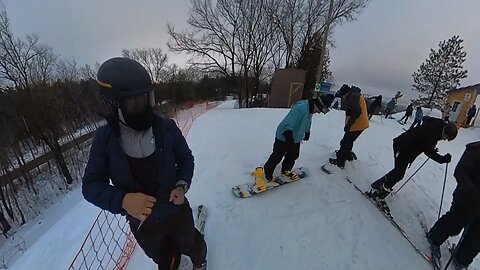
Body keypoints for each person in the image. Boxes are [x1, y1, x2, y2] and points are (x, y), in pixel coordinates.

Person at [82, 57, 207, 270]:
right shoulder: (105, 141)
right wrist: (123, 200)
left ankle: (200, 262)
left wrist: (182, 184)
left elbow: (186, 159)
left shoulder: (166, 128)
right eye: (134, 103)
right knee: (165, 260)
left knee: (191, 244)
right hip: (144, 226)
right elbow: (91, 186)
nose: (144, 107)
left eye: (147, 98)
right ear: (114, 105)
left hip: (176, 213)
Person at [367, 117, 457, 201]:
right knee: (399, 174)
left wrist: (426, 143)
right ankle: (378, 194)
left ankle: (377, 185)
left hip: (405, 146)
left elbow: (425, 119)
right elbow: (428, 151)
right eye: (446, 138)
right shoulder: (433, 133)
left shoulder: (437, 124)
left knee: (397, 171)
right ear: (446, 132)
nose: (444, 139)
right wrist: (442, 159)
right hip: (403, 148)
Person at [427, 141, 480, 269]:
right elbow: (460, 172)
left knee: (476, 237)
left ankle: (461, 258)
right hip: (466, 199)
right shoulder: (475, 150)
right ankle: (435, 238)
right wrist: (473, 192)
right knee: (454, 223)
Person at [263, 94, 335, 182]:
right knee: (277, 156)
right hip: (284, 135)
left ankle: (286, 170)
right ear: (317, 104)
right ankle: (268, 170)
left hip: (296, 137)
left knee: (293, 155)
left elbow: (308, 121)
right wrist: (288, 136)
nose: (319, 112)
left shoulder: (310, 109)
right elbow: (288, 122)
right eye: (320, 110)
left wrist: (307, 132)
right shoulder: (301, 108)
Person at [327, 84, 369, 169]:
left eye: (343, 95)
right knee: (348, 141)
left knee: (345, 143)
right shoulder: (355, 94)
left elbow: (356, 111)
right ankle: (348, 156)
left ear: (346, 93)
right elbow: (351, 110)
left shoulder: (353, 96)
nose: (343, 97)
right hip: (361, 124)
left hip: (357, 124)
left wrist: (349, 125)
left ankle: (340, 162)